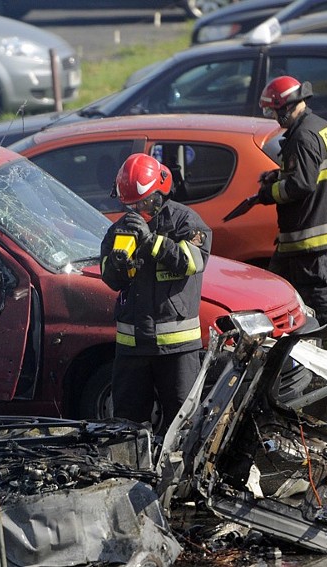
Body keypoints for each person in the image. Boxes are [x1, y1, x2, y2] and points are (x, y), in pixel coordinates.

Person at [100, 153, 212, 430]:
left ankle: (182, 473)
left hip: (177, 349)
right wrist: (117, 265)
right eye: (130, 205)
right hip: (133, 348)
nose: (137, 210)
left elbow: (193, 262)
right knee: (126, 422)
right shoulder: (120, 230)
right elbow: (110, 278)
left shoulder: (186, 222)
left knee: (183, 422)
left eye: (144, 203)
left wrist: (151, 242)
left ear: (160, 193)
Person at [255, 75, 327, 353]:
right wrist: (277, 174)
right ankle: (279, 351)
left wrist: (268, 193)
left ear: (287, 106)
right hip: (306, 230)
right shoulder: (321, 127)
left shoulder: (303, 136)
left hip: (306, 234)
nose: (274, 118)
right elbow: (309, 170)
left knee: (320, 295)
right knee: (273, 290)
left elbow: (302, 184)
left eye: (273, 111)